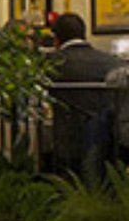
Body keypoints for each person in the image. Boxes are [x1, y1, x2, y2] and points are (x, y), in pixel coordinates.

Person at [49, 12, 120, 178]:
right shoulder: (110, 61)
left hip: (66, 140)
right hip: (106, 140)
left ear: (57, 38)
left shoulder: (53, 63)